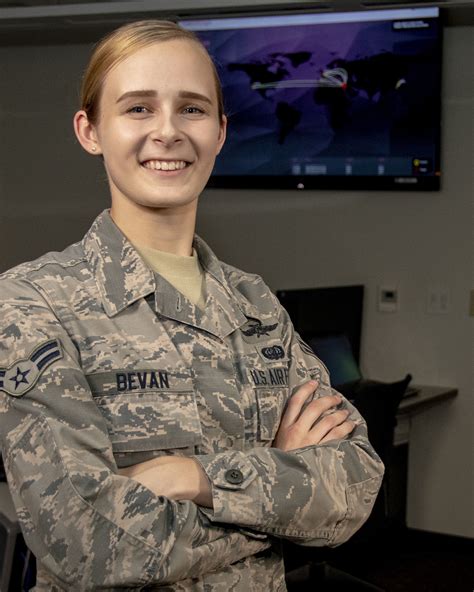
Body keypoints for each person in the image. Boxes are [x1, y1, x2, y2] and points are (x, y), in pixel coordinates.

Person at [0, 20, 384, 591]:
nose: (168, 131)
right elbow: (87, 545)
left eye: (192, 109)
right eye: (137, 108)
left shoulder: (254, 302)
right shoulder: (31, 303)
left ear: (221, 131)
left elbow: (354, 488)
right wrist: (276, 494)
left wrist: (197, 478)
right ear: (90, 130)